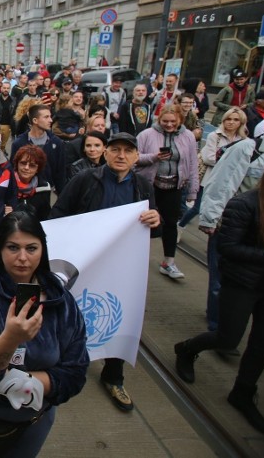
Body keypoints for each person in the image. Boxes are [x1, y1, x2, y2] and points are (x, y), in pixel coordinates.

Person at [0, 211, 89, 457]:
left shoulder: (61, 301)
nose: (22, 258)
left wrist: (33, 383)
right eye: (13, 247)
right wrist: (11, 338)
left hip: (31, 425)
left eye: (31, 248)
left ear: (43, 250)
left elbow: (76, 371)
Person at [174, 151, 264, 436]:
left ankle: (243, 392)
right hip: (243, 283)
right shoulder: (244, 204)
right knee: (227, 337)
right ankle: (187, 349)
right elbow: (228, 247)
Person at [49, 133, 161, 412]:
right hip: (84, 262)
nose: (121, 155)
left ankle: (114, 376)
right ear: (105, 154)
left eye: (128, 151)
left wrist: (156, 220)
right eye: (115, 150)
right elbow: (57, 215)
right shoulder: (85, 180)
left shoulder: (144, 187)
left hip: (123, 266)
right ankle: (61, 364)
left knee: (121, 316)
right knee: (72, 312)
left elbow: (154, 224)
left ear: (136, 157)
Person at [198, 107, 264, 332]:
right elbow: (221, 183)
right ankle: (219, 328)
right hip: (238, 227)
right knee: (222, 280)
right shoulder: (246, 149)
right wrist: (210, 220)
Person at [136, 105, 199, 280]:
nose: (169, 125)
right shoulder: (146, 135)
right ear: (159, 119)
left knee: (171, 224)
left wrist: (193, 190)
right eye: (165, 121)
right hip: (150, 186)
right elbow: (134, 158)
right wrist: (154, 157)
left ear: (180, 120)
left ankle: (169, 262)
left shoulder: (188, 137)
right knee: (144, 223)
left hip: (174, 186)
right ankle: (137, 261)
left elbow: (193, 164)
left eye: (173, 121)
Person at [178, 108, 247, 231]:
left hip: (229, 182)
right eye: (228, 119)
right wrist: (231, 163)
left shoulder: (243, 141)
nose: (231, 122)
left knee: (222, 211)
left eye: (236, 120)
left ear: (241, 122)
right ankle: (180, 225)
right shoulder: (215, 136)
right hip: (209, 179)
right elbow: (209, 158)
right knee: (198, 208)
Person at [11, 104, 67, 194]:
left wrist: (62, 196)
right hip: (23, 191)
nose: (51, 120)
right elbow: (13, 170)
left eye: (50, 116)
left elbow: (60, 172)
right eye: (46, 117)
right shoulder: (19, 143)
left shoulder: (57, 143)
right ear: (35, 120)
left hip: (46, 191)